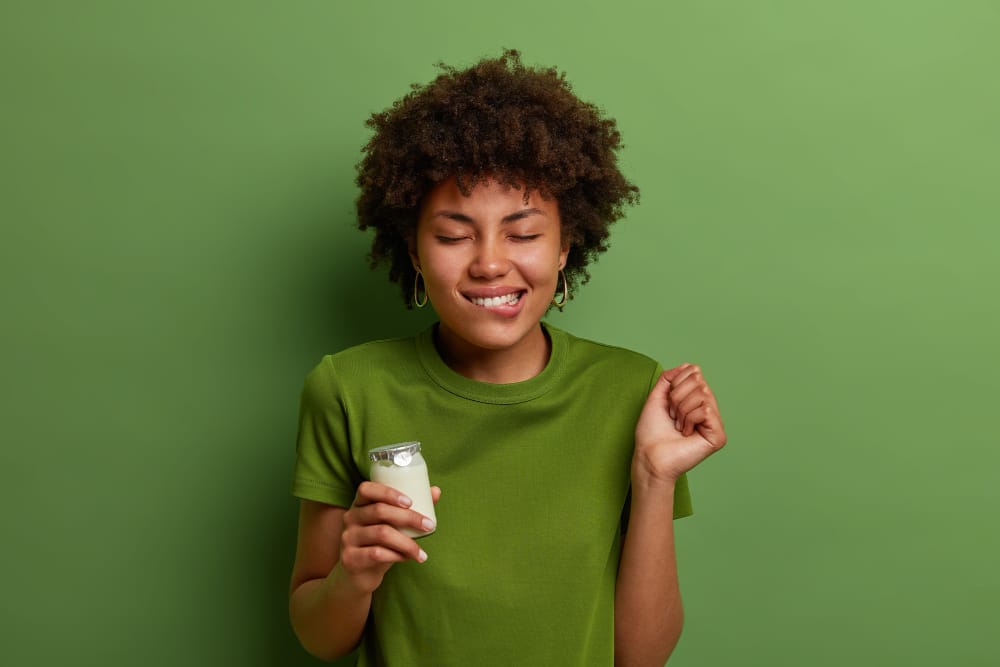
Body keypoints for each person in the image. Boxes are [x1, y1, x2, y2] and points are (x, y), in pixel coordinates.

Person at [288, 49, 727, 666]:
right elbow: (318, 635)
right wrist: (353, 576)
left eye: (523, 233)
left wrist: (655, 478)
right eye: (452, 234)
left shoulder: (632, 390)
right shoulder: (348, 388)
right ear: (413, 250)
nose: (491, 262)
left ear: (566, 245)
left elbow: (641, 657)